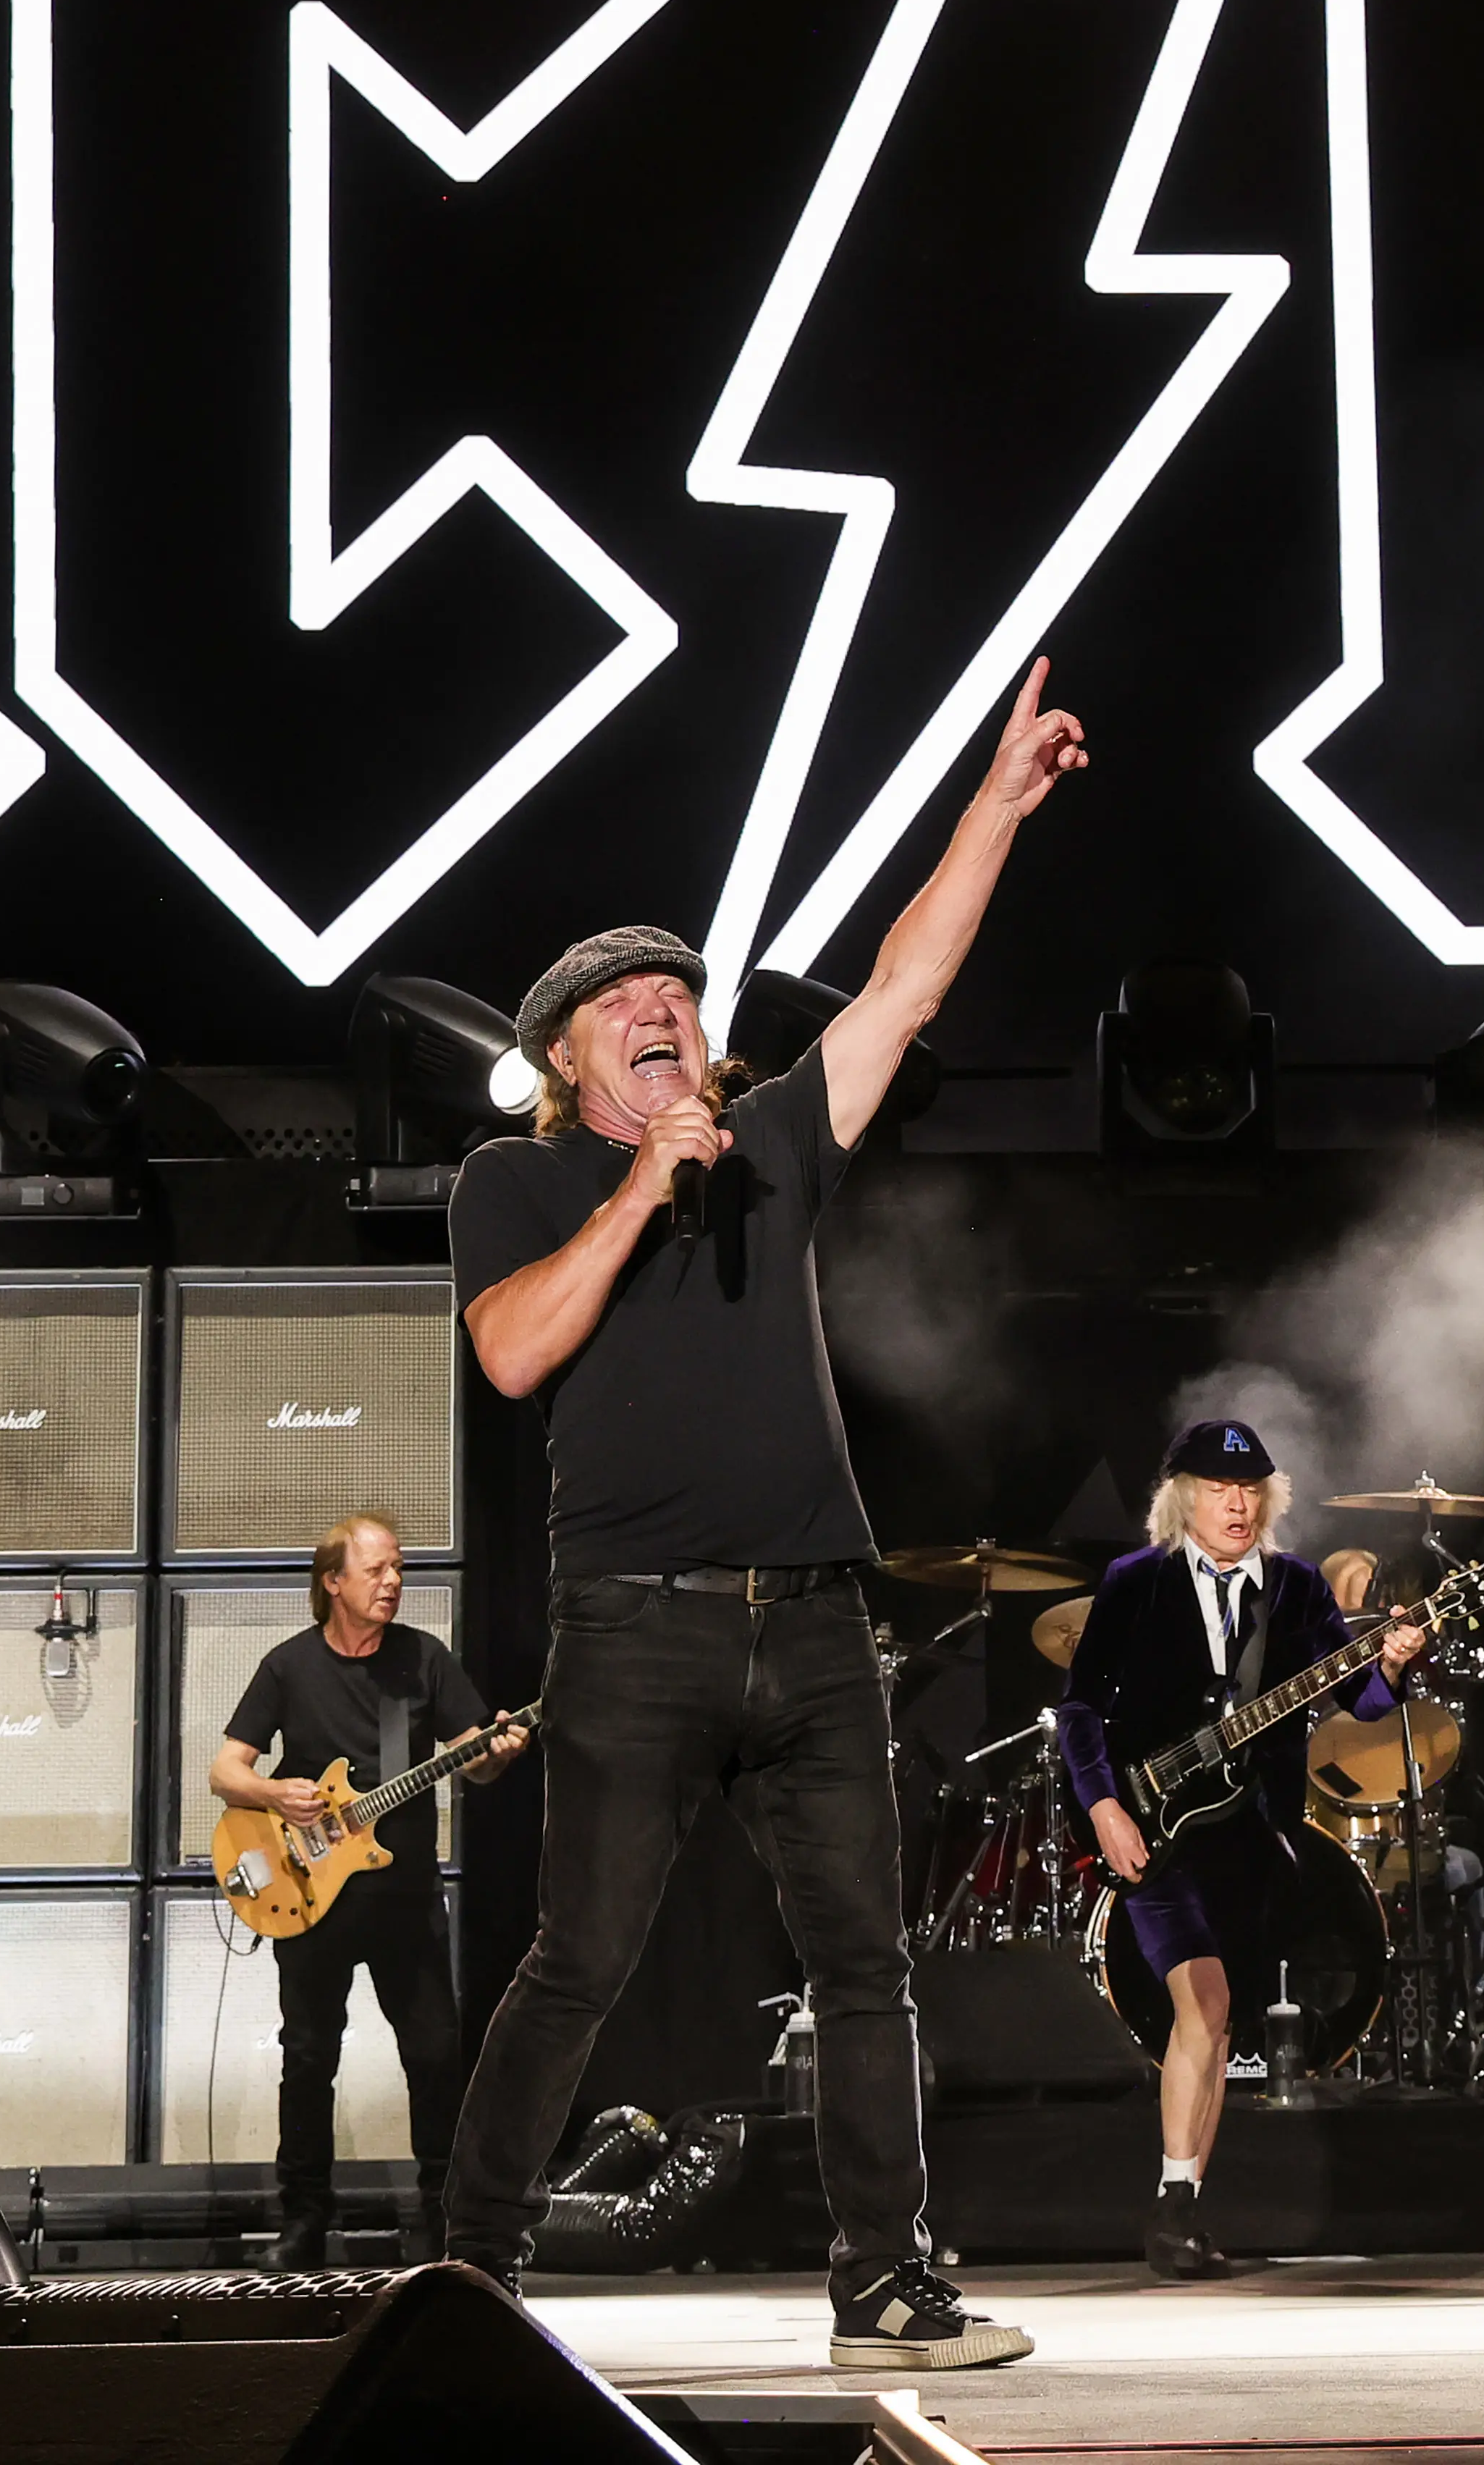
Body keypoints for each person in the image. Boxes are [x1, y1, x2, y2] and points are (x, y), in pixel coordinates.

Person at [436, 660, 1089, 2369]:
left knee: (866, 1965)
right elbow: (509, 1354)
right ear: (570, 1060)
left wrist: (999, 806)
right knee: (574, 1963)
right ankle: (469, 2277)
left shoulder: (783, 1139)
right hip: (633, 1625)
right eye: (627, 1000)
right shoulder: (518, 1179)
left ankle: (885, 2284)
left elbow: (906, 979)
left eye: (681, 989)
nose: (667, 1005)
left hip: (810, 1616)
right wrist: (646, 1187)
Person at [1057, 1420, 1425, 2278]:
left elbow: (1360, 1697)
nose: (1237, 1503)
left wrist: (1396, 1662)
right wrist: (1104, 1804)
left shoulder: (1294, 1588)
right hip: (1157, 1831)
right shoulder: (1134, 1582)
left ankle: (1181, 2207)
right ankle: (1170, 2208)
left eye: (1252, 1489)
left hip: (1255, 1835)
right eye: (1221, 1488)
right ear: (1183, 1495)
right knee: (1203, 1999)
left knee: (1219, 2020)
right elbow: (1079, 1711)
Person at [208, 1512, 528, 2265]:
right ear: (333, 1582)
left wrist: (496, 1752)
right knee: (309, 2056)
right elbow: (225, 1770)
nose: (392, 1582)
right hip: (309, 1898)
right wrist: (275, 1795)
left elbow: (471, 1758)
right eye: (377, 1569)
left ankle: (445, 2225)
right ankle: (303, 2221)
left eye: (398, 1569)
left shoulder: (422, 1660)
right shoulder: (288, 1666)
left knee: (434, 2058)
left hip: (406, 1898)